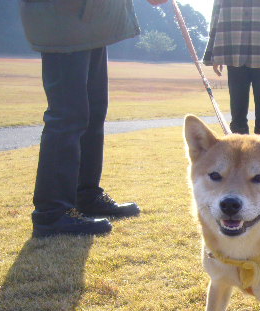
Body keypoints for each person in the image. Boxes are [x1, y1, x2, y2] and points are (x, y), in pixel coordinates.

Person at [19, 0, 167, 237]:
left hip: (90, 19)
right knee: (67, 116)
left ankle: (85, 196)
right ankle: (51, 214)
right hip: (63, 17)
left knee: (93, 111)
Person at [202, 0, 260, 137]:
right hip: (235, 50)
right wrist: (217, 53)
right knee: (237, 117)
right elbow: (217, 12)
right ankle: (237, 155)